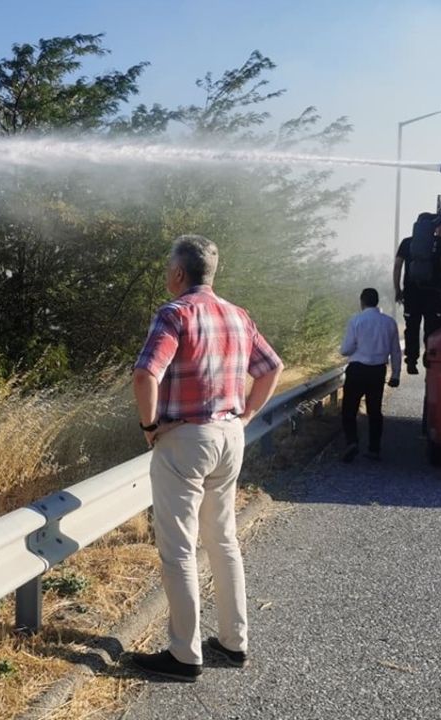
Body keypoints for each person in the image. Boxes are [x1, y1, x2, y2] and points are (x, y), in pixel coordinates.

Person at [130, 234, 284, 682]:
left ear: (179, 273)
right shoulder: (238, 315)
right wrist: (248, 412)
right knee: (223, 539)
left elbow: (145, 374)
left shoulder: (175, 313)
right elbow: (271, 366)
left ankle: (184, 654)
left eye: (167, 268)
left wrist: (149, 426)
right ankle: (234, 643)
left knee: (178, 547)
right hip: (230, 435)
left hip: (186, 440)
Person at [339, 288, 402, 463]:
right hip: (377, 371)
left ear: (362, 302)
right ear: (377, 301)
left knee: (349, 409)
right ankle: (374, 449)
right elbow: (396, 352)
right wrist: (395, 375)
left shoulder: (356, 320)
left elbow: (346, 350)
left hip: (357, 370)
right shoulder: (389, 323)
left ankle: (352, 441)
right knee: (375, 411)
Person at [393, 214, 441, 375]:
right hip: (433, 293)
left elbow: (397, 267)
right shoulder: (440, 242)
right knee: (432, 327)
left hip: (411, 292)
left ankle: (411, 361)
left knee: (412, 327)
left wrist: (398, 289)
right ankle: (429, 356)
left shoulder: (407, 242)